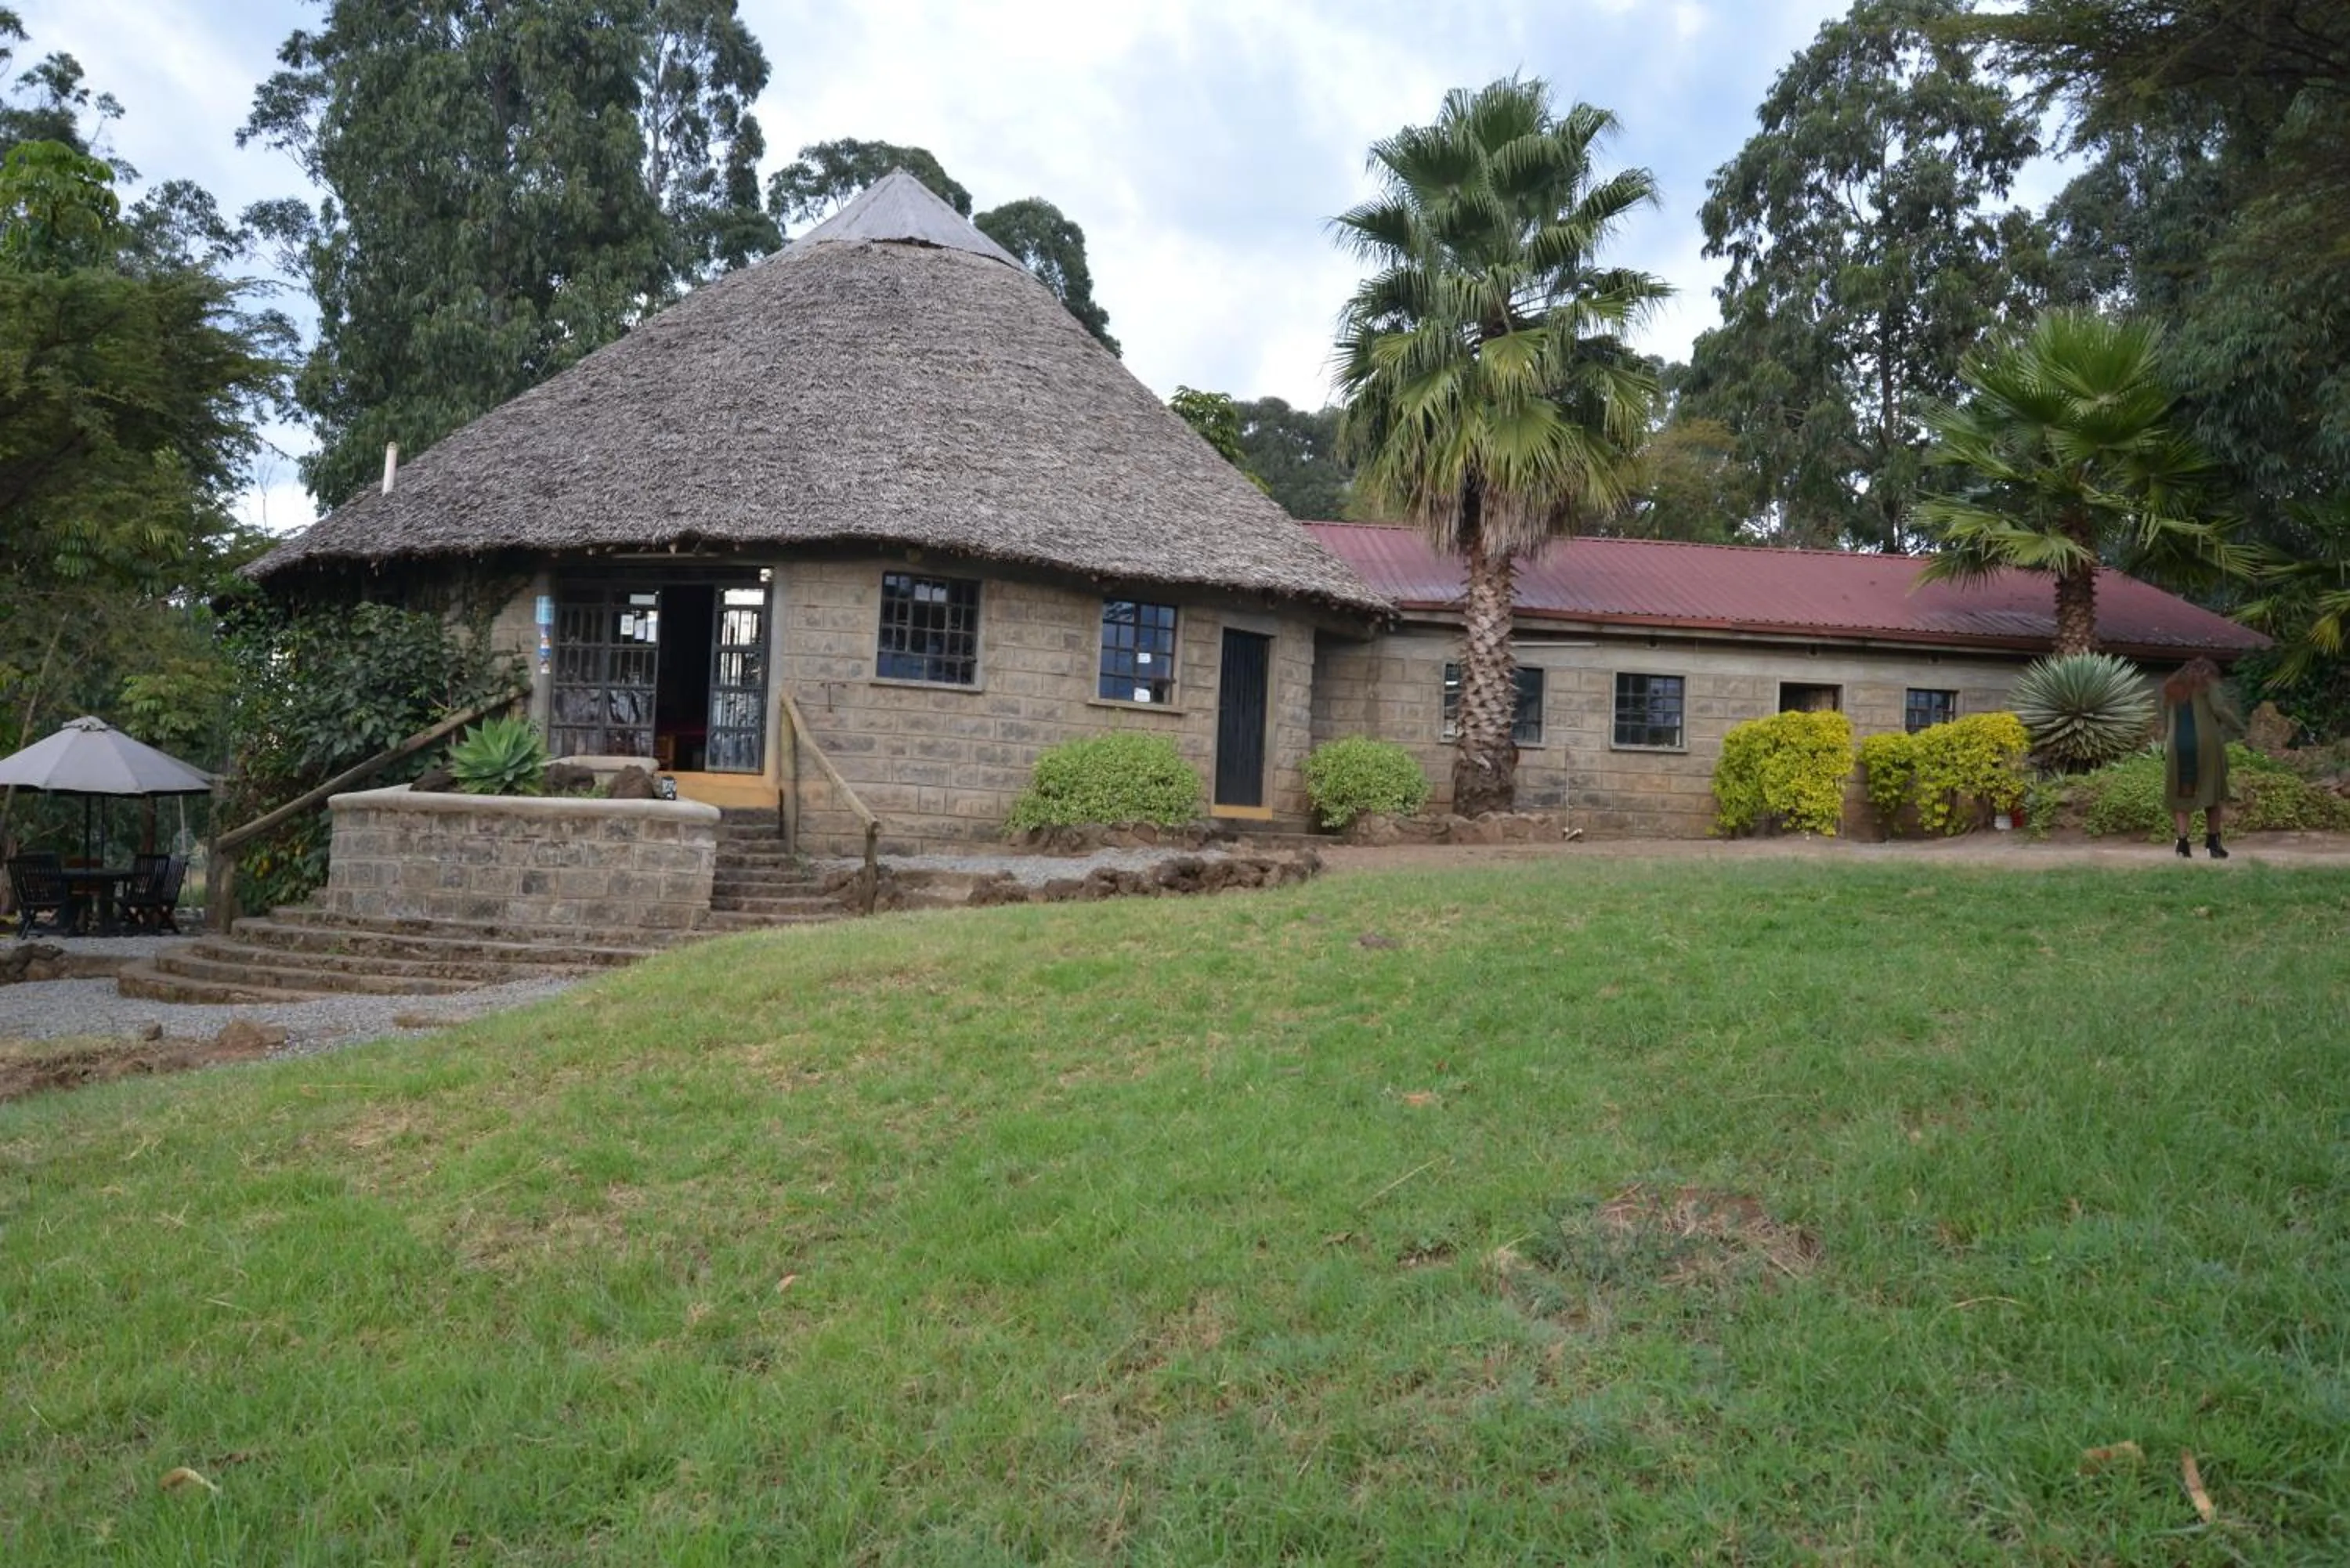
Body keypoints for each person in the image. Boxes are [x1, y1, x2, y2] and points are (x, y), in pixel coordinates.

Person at [2160, 657, 2243, 859]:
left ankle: (2182, 844)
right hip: (2205, 746)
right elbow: (2220, 709)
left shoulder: (2172, 686)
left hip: (2177, 747)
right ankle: (2213, 844)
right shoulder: (2207, 684)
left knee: (2182, 793)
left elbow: (2166, 718)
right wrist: (2241, 728)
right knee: (2212, 792)